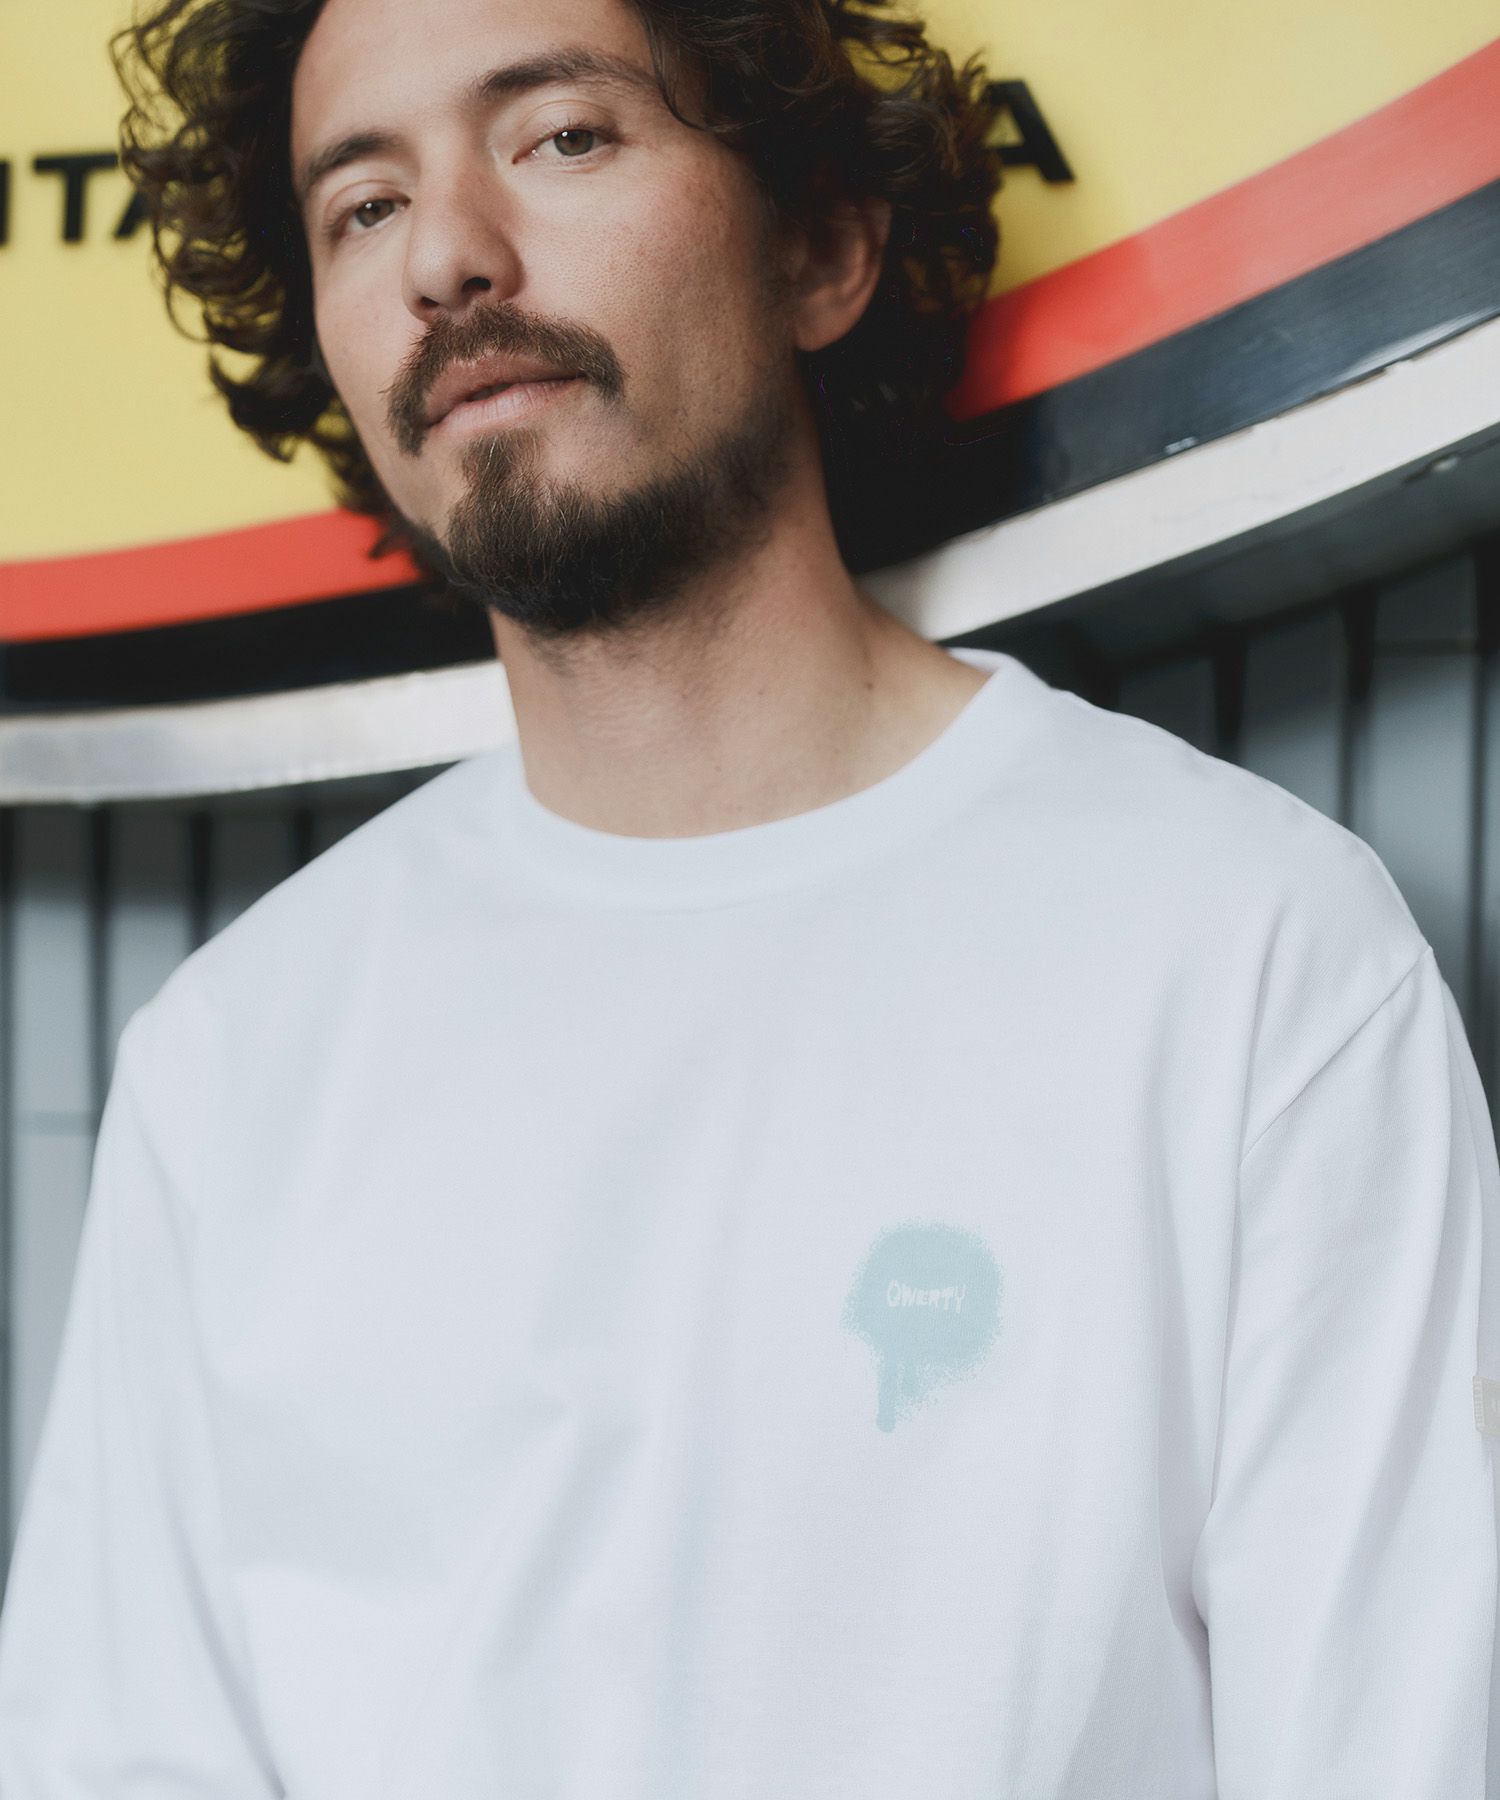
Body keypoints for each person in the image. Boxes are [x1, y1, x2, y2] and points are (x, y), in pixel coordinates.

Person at [0, 0, 1495, 1792]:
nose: (448, 256)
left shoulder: (1254, 956)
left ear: (820, 248)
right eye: (364, 207)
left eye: (562, 135)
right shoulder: (231, 1070)